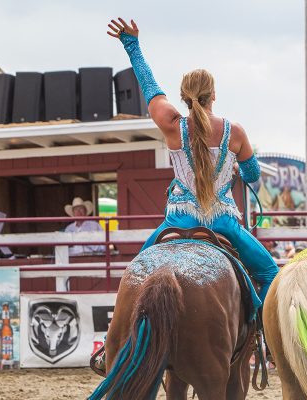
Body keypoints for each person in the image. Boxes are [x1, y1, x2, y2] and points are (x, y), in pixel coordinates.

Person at [107, 18, 278, 302]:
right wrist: (237, 169)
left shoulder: (172, 125)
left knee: (134, 277)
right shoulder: (234, 132)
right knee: (271, 272)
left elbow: (150, 88)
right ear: (213, 95)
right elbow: (253, 175)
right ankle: (263, 339)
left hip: (178, 220)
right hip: (223, 223)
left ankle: (122, 338)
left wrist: (132, 45)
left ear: (184, 97)